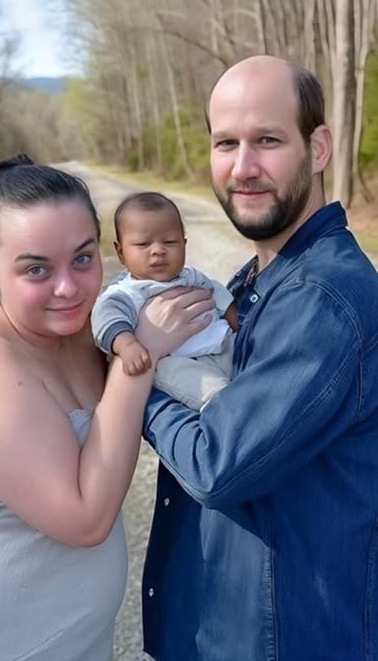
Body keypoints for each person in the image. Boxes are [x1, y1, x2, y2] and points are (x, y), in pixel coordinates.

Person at [0, 155, 211, 661]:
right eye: (37, 268)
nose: (69, 288)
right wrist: (140, 359)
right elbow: (85, 519)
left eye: (82, 259)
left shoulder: (86, 335)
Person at [139, 55, 378, 660]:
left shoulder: (323, 298)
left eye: (267, 140)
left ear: (317, 147)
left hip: (293, 638)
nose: (243, 168)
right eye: (226, 143)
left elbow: (218, 463)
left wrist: (141, 374)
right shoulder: (256, 281)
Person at [91, 190, 238, 410]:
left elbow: (219, 295)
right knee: (215, 392)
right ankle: (226, 411)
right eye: (143, 244)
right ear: (120, 253)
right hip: (177, 362)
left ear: (184, 244)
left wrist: (238, 325)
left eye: (169, 242)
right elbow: (106, 318)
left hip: (222, 343)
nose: (158, 251)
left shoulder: (191, 276)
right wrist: (127, 345)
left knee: (259, 360)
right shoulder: (126, 291)